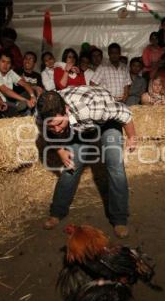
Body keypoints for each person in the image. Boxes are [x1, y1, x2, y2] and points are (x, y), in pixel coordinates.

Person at [36, 86, 137, 238]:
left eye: (59, 124)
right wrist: (60, 150)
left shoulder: (93, 107)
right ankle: (57, 212)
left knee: (115, 166)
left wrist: (131, 138)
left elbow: (125, 114)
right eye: (51, 126)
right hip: (81, 126)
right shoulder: (41, 117)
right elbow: (47, 132)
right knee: (70, 166)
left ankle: (119, 219)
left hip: (107, 122)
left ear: (66, 110)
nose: (56, 130)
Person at [0, 50, 36, 115]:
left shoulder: (10, 72)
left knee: (32, 92)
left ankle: (27, 110)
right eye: (3, 61)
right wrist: (25, 100)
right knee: (17, 107)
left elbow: (24, 83)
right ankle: (23, 111)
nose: (5, 65)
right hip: (0, 102)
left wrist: (32, 96)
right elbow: (6, 91)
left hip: (12, 100)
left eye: (8, 63)